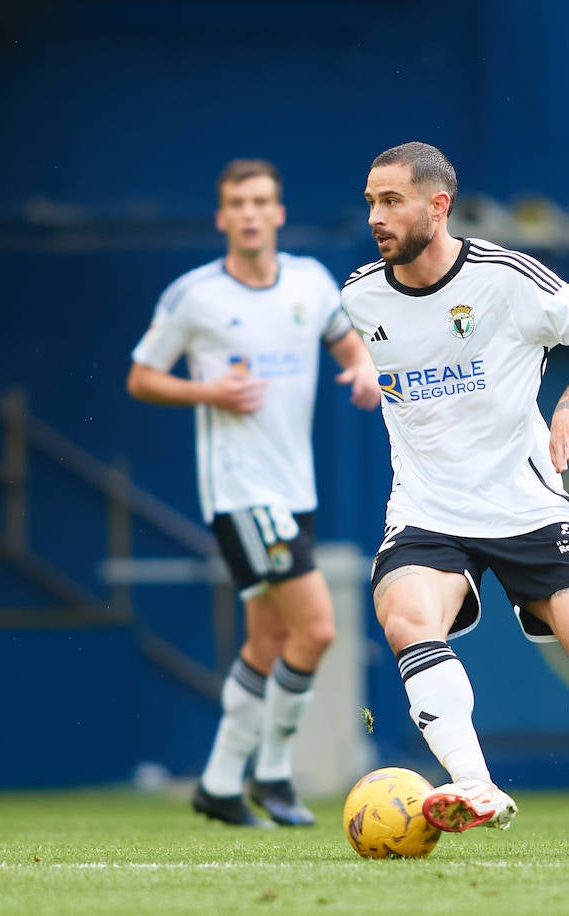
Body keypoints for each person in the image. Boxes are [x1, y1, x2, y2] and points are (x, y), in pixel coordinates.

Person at [340, 141, 569, 857]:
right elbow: (384, 350)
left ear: (438, 206)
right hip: (427, 511)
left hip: (525, 505)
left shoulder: (506, 279)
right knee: (407, 616)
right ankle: (473, 786)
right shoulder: (359, 296)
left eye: (392, 201)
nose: (376, 216)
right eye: (371, 202)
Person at [127, 158, 380, 827]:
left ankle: (216, 784)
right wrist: (207, 390)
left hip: (294, 486)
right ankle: (271, 774)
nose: (248, 212)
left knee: (268, 641)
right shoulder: (195, 297)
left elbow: (347, 343)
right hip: (241, 490)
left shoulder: (309, 280)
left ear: (278, 212)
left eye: (260, 200)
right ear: (221, 217)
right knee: (318, 628)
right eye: (236, 202)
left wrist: (361, 371)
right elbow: (141, 377)